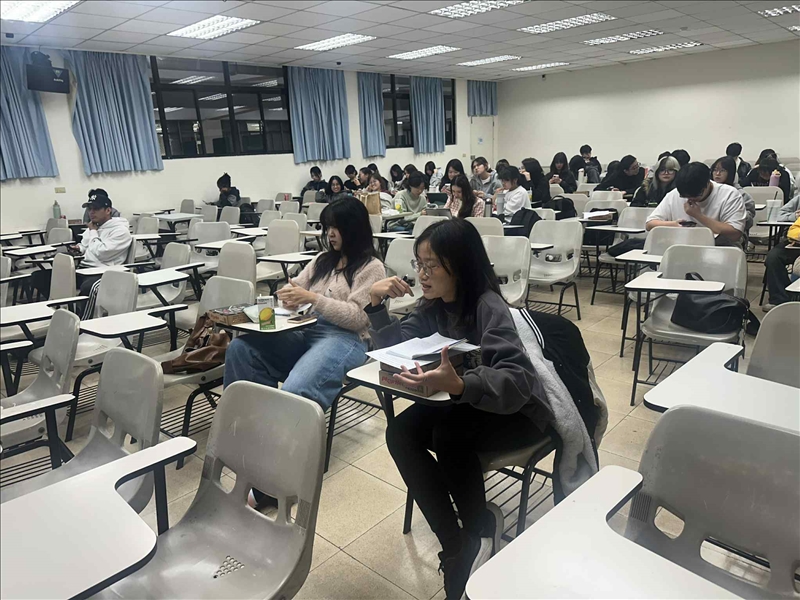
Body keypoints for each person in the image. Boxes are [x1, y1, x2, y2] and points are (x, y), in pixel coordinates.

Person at [366, 219, 550, 600]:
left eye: (431, 265)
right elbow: (396, 346)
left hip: (518, 413)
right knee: (400, 432)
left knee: (447, 435)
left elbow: (518, 380)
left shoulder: (488, 306)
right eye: (418, 264)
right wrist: (376, 306)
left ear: (460, 266)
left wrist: (464, 384)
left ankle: (478, 529)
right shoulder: (433, 305)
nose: (421, 274)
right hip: (466, 402)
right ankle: (457, 547)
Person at [224, 197, 386, 408]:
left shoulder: (372, 267)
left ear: (354, 228)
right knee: (241, 349)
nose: (330, 233)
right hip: (307, 329)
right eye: (328, 227)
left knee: (296, 390)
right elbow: (296, 288)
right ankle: (249, 419)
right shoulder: (323, 260)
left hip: (347, 338)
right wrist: (289, 298)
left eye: (337, 227)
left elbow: (357, 318)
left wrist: (312, 298)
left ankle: (282, 426)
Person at [646, 162, 747, 247]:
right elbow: (650, 224)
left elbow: (735, 233)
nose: (690, 199)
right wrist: (674, 225)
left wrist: (698, 215)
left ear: (707, 183)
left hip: (719, 249)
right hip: (682, 247)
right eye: (685, 196)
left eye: (695, 196)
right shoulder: (674, 194)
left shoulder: (729, 194)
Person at [75, 191, 133, 317]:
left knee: (89, 288)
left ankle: (83, 323)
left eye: (96, 209)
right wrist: (78, 248)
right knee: (43, 277)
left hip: (104, 272)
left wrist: (93, 232)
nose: (91, 212)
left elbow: (101, 253)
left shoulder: (120, 231)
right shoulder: (94, 227)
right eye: (90, 209)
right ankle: (64, 312)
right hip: (85, 269)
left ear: (108, 210)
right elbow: (85, 246)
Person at [762, 193, 800, 311]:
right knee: (774, 257)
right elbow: (778, 214)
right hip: (795, 241)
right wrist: (794, 216)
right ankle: (780, 299)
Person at [710, 156, 756, 232]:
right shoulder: (708, 192)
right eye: (715, 170)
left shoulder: (740, 194)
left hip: (733, 232)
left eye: (722, 170)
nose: (717, 174)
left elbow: (749, 221)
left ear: (730, 173)